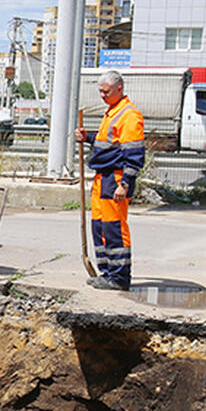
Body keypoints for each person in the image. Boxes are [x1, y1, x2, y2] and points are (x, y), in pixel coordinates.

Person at [75, 70, 145, 291]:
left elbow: (134, 155)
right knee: (100, 227)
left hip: (115, 179)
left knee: (114, 227)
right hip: (102, 177)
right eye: (100, 92)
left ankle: (120, 277)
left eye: (106, 92)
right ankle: (107, 272)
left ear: (119, 89)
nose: (102, 95)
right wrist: (89, 139)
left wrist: (124, 184)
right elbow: (109, 144)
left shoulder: (129, 116)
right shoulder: (112, 112)